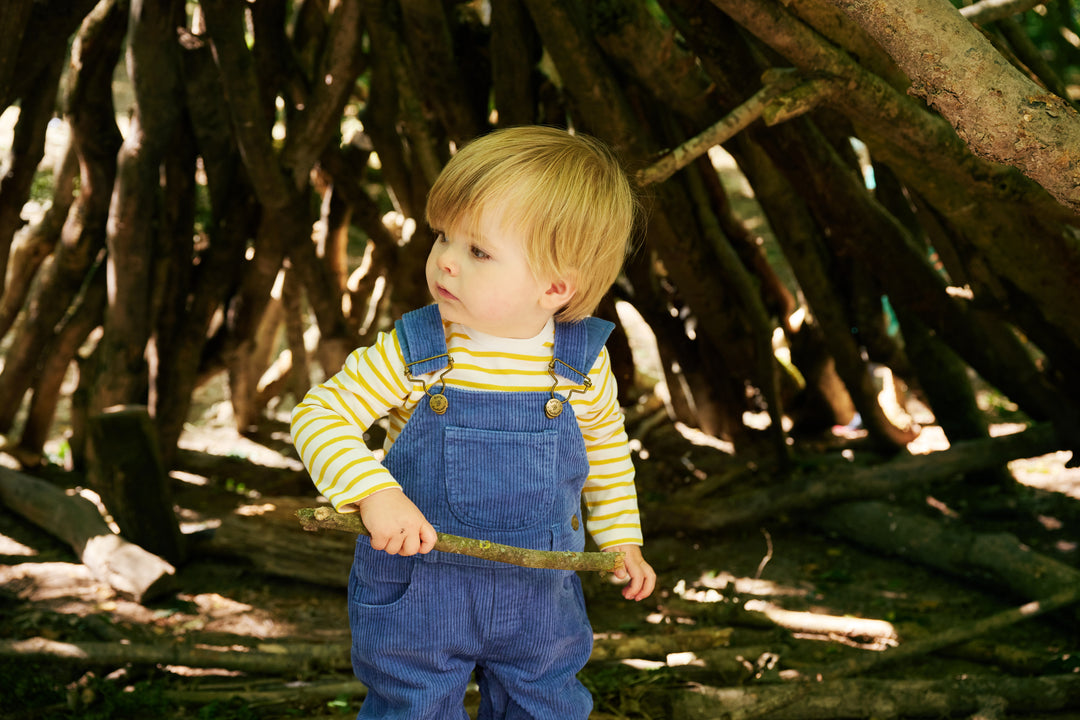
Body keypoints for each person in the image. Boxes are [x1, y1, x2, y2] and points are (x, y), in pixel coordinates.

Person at [291, 125, 656, 719]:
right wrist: (371, 490)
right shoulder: (415, 352)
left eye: (478, 251)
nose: (446, 264)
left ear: (555, 286)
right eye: (443, 238)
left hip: (539, 599)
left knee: (545, 707)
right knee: (412, 709)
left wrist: (622, 540)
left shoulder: (580, 369)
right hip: (418, 594)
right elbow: (319, 415)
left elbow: (609, 461)